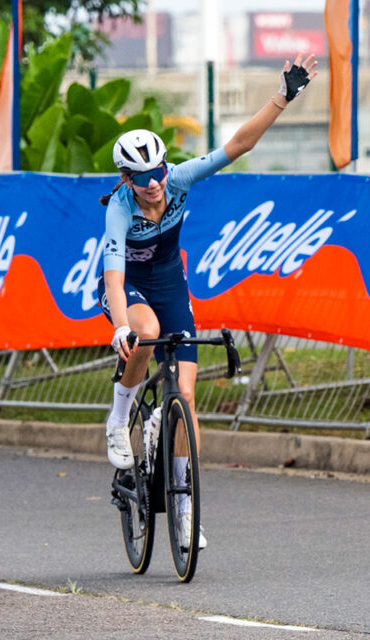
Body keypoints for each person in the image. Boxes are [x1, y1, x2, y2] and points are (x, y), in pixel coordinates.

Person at [98, 55, 316, 550]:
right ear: (126, 180)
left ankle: (184, 510)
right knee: (147, 333)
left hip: (170, 280)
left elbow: (236, 146)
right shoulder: (119, 210)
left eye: (156, 172)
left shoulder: (178, 178)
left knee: (188, 399)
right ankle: (118, 415)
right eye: (141, 177)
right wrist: (118, 327)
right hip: (128, 287)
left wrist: (283, 96)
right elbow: (113, 275)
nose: (154, 184)